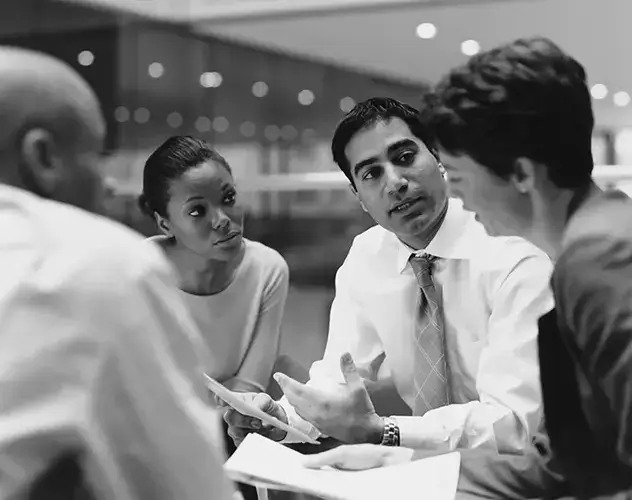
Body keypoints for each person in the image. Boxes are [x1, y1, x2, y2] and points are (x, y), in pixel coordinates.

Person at [308, 37, 632, 499]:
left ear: (520, 174)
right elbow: (569, 462)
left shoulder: (603, 262)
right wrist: (399, 463)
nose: (459, 198)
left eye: (459, 174)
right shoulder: (595, 246)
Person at [224, 98, 554, 458]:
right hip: (426, 474)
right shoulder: (368, 256)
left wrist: (385, 431)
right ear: (359, 198)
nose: (395, 183)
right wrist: (280, 418)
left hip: (537, 470)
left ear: (439, 157)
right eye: (371, 174)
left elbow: (513, 426)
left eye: (404, 157)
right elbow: (340, 379)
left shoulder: (513, 254)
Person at [0, 47, 236, 499]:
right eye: (98, 155)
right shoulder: (96, 262)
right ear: (42, 156)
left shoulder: (264, 266)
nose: (108, 184)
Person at [139, 135, 290, 395]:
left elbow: (248, 392)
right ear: (165, 224)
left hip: (234, 428)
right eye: (197, 211)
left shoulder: (268, 269)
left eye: (228, 198)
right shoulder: (138, 271)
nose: (222, 220)